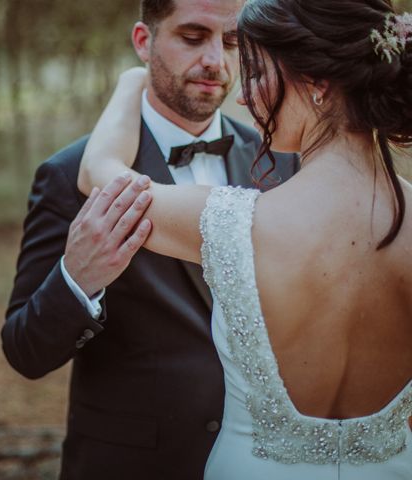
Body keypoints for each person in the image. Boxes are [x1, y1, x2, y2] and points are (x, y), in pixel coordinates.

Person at [77, 0, 412, 478]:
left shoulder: (229, 223)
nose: (244, 95)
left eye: (256, 72)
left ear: (317, 83)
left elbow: (100, 175)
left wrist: (132, 82)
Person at [2, 0, 298, 478]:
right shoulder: (67, 176)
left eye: (231, 43)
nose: (216, 62)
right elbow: (24, 351)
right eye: (192, 36)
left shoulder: (281, 163)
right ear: (144, 41)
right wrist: (77, 281)